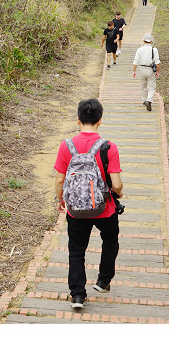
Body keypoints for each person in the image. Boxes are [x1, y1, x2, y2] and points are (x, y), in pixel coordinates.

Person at [54, 98, 123, 310]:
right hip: (104, 208)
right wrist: (118, 193)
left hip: (75, 210)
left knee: (76, 250)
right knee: (110, 241)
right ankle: (103, 282)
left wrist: (61, 200)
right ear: (100, 121)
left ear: (78, 119)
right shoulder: (108, 147)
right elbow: (117, 184)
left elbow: (59, 179)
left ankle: (77, 295)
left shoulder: (66, 146)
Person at [132, 33, 160, 111]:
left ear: (144, 40)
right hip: (151, 69)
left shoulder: (140, 49)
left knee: (143, 86)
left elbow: (135, 61)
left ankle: (145, 100)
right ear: (151, 41)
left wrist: (134, 71)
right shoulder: (154, 50)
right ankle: (149, 99)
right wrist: (157, 71)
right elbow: (157, 62)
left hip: (141, 69)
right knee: (151, 86)